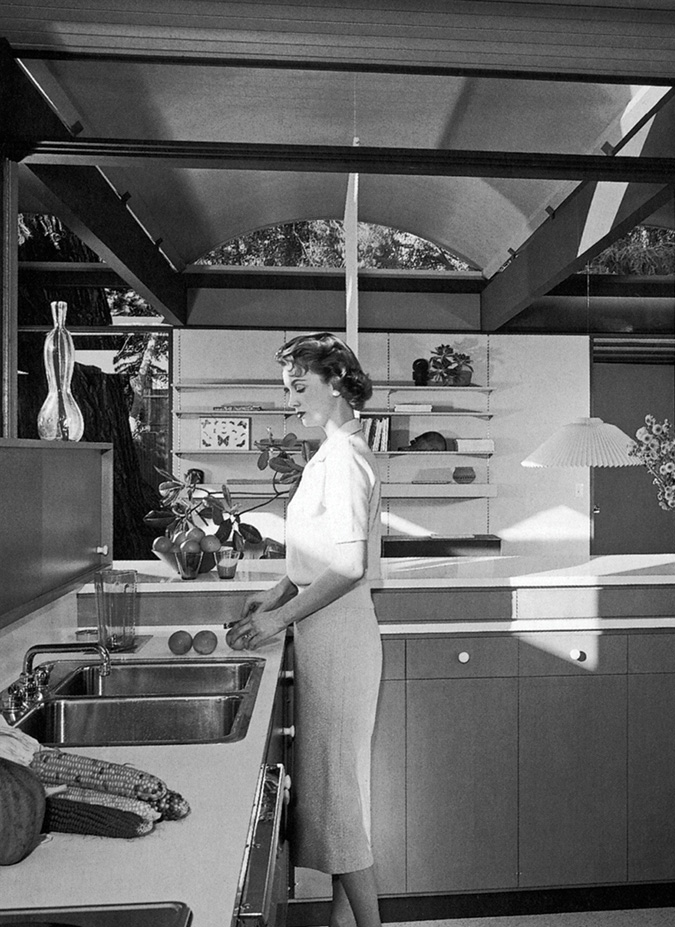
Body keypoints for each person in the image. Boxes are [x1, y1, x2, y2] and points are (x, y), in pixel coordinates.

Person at [226, 332, 383, 927]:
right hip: (329, 641)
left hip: (339, 646)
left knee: (340, 814)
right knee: (342, 808)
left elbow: (347, 566)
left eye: (299, 386)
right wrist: (274, 593)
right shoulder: (333, 450)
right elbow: (317, 555)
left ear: (336, 381)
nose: (290, 399)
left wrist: (278, 618)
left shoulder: (345, 457)